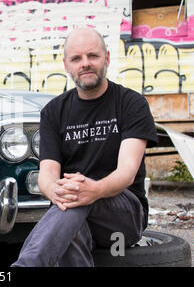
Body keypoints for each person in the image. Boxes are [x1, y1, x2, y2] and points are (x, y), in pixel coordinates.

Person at [12, 27, 158, 267]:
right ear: (66, 65)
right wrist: (56, 191)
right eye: (77, 58)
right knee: (72, 225)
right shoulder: (53, 112)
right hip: (71, 213)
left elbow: (127, 172)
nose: (85, 64)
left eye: (93, 56)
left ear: (107, 58)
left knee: (76, 198)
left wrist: (95, 189)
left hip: (123, 217)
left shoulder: (131, 104)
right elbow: (47, 175)